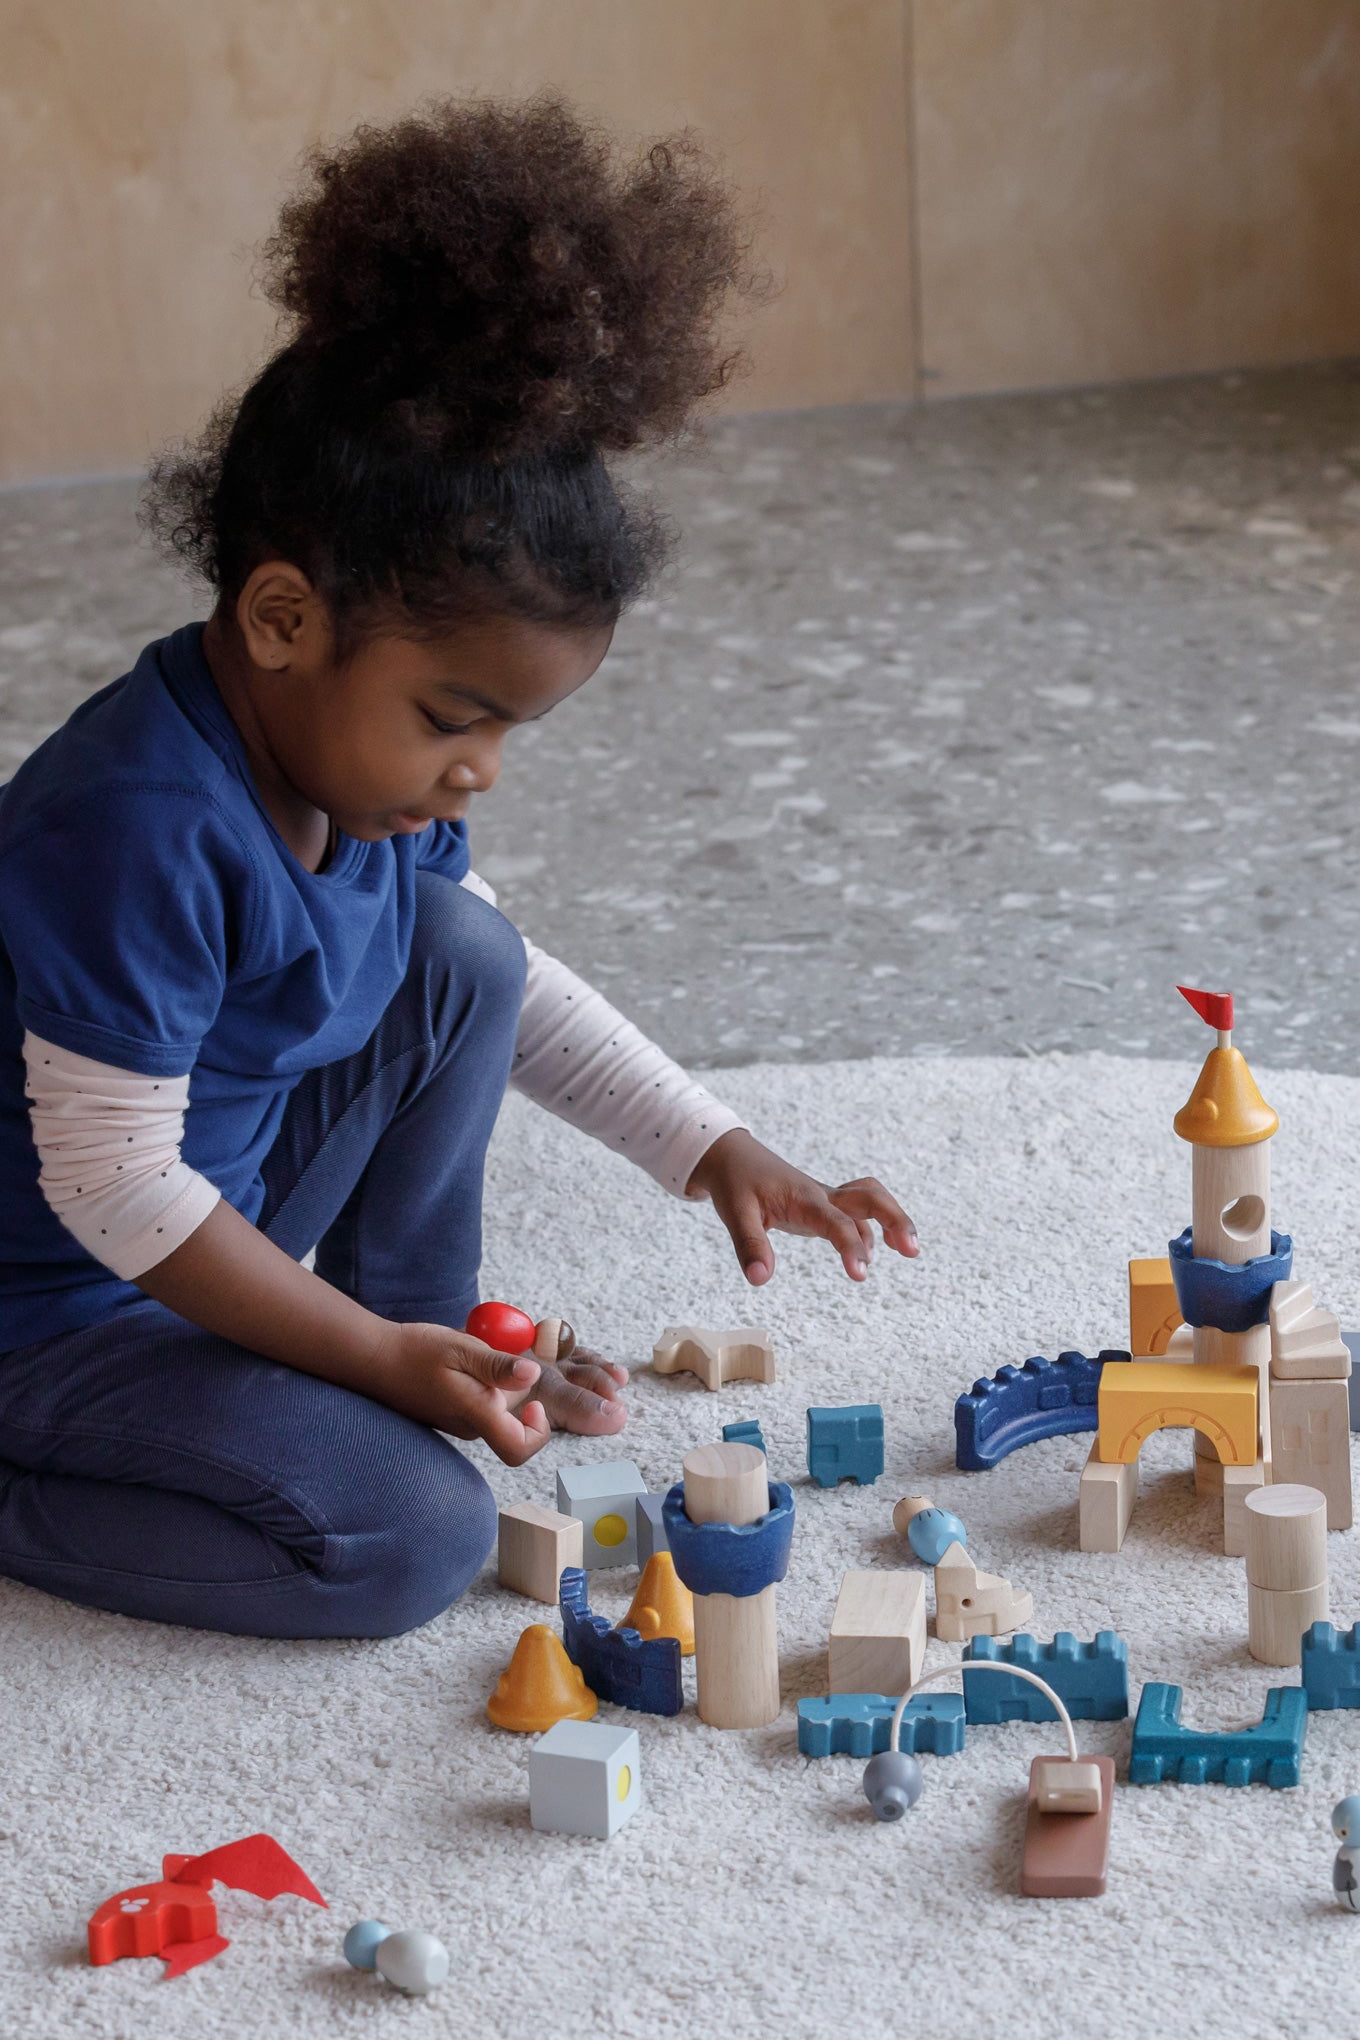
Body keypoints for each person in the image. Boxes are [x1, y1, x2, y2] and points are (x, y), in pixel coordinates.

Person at [0, 97, 916, 1639]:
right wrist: (360, 1360)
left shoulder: (355, 783)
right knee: (406, 1541)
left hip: (196, 1223)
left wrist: (709, 1143)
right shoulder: (133, 824)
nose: (480, 767)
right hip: (52, 1305)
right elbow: (111, 1186)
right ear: (283, 619)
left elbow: (502, 984)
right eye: (454, 717)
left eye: (507, 729)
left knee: (456, 951)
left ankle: (438, 1342)